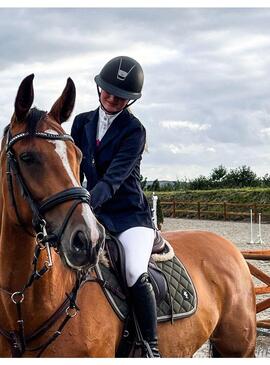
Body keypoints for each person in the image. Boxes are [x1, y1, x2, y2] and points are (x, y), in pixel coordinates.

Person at [71, 56, 160, 357]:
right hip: (92, 212)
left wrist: (83, 203)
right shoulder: (82, 122)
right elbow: (74, 170)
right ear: (99, 88)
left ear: (130, 99)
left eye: (120, 95)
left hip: (129, 216)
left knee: (134, 270)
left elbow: (112, 181)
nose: (111, 98)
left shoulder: (134, 130)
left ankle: (151, 345)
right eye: (107, 91)